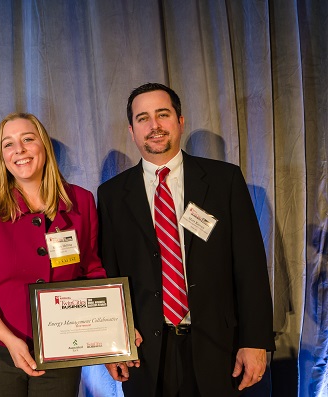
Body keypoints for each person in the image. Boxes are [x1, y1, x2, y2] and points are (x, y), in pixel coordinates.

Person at [97, 83, 275, 397]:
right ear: (132, 130)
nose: (154, 125)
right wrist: (114, 344)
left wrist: (255, 340)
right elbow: (109, 275)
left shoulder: (224, 181)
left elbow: (251, 268)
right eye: (143, 118)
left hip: (219, 348)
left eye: (162, 115)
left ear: (180, 121)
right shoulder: (112, 195)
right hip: (146, 354)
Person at [0, 112, 106, 397]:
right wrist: (9, 340)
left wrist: (113, 330)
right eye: (8, 144)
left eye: (27, 139)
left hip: (62, 349)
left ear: (43, 146)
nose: (19, 150)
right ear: (2, 157)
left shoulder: (81, 201)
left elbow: (91, 270)